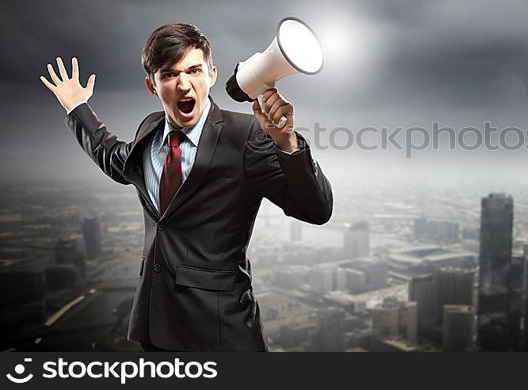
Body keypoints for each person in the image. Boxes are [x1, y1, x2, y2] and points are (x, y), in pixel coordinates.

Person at [40, 23, 333, 351]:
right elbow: (113, 158)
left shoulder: (247, 135)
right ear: (152, 86)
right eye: (169, 74)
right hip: (155, 328)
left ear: (211, 73)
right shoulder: (150, 130)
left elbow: (315, 210)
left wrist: (286, 142)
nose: (183, 85)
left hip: (222, 332)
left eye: (194, 70)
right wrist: (76, 107)